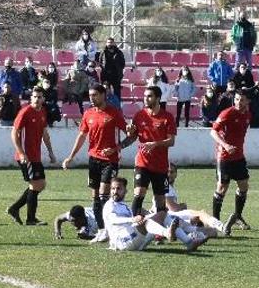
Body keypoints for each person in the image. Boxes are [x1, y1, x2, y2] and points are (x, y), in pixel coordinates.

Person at [62, 84, 127, 238]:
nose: (92, 98)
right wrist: (70, 157)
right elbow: (82, 136)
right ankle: (101, 230)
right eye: (90, 95)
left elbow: (130, 132)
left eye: (95, 95)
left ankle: (111, 228)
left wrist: (117, 148)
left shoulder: (114, 113)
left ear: (103, 95)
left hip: (110, 160)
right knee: (96, 197)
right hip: (94, 159)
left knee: (105, 194)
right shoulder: (88, 114)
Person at [123, 85, 177, 217]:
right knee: (139, 192)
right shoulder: (139, 115)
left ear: (158, 98)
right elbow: (133, 137)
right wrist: (123, 142)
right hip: (142, 163)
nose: (146, 99)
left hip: (160, 165)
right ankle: (135, 226)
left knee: (160, 199)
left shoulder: (167, 117)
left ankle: (160, 229)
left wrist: (155, 144)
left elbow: (171, 141)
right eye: (145, 96)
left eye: (149, 96)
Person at [6, 87, 56, 225]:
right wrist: (21, 153)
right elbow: (14, 133)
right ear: (31, 98)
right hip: (26, 156)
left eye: (39, 97)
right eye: (34, 96)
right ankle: (31, 219)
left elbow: (45, 134)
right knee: (36, 184)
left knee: (40, 184)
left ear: (43, 99)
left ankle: (14, 208)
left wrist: (50, 152)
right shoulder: (25, 112)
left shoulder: (42, 112)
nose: (37, 99)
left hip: (36, 155)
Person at [210, 88, 252, 236]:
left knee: (244, 185)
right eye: (237, 99)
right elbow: (213, 132)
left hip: (239, 157)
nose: (239, 102)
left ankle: (237, 216)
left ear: (248, 101)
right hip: (224, 157)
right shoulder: (227, 113)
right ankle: (215, 221)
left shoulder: (247, 114)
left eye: (242, 100)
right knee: (222, 188)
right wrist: (226, 145)